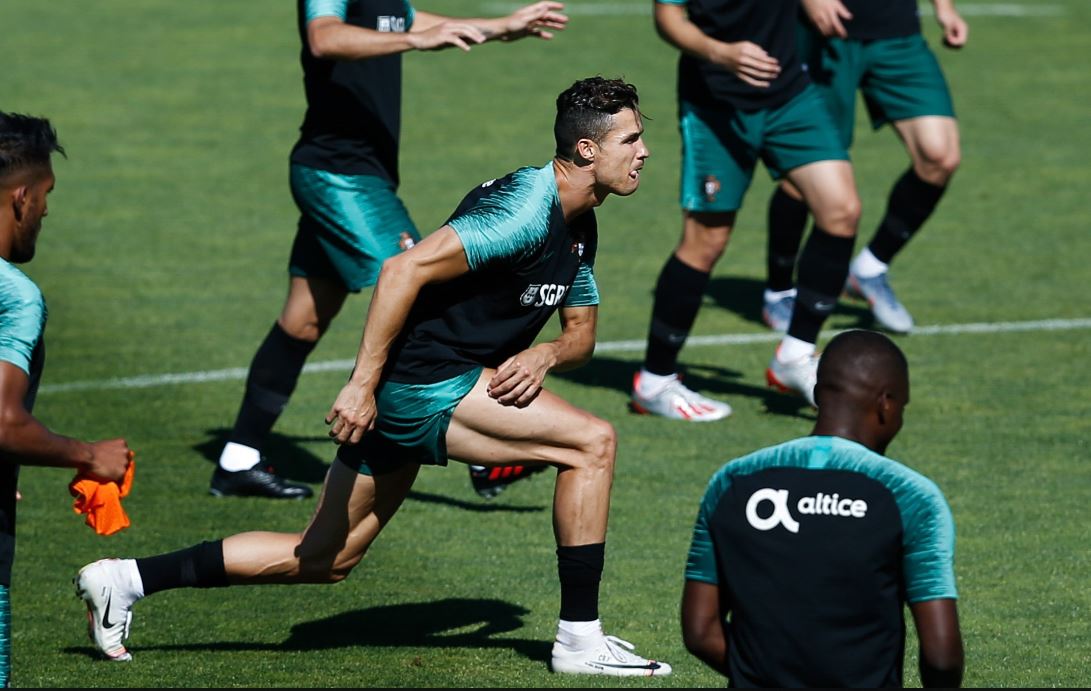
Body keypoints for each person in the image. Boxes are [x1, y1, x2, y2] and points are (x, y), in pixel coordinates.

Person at [76, 76, 672, 677]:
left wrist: (544, 355)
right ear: (589, 150)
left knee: (325, 558)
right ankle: (578, 640)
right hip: (423, 383)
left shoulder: (580, 224)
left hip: (426, 385)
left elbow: (581, 336)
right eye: (632, 139)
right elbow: (400, 271)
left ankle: (124, 580)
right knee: (592, 444)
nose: (644, 151)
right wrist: (361, 386)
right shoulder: (522, 210)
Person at [212, 0, 570, 499]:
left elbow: (419, 22)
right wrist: (413, 41)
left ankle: (238, 458)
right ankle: (477, 448)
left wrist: (501, 27)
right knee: (424, 286)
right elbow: (326, 36)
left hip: (358, 174)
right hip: (341, 177)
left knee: (303, 321)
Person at [681, 329, 964, 687]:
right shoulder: (910, 496)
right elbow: (941, 658)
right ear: (887, 404)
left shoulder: (732, 481)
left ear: (817, 394)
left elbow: (700, 630)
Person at [629, 0, 862, 418]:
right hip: (715, 104)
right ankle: (654, 381)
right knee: (706, 240)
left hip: (790, 95)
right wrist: (722, 52)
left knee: (841, 210)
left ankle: (795, 356)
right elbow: (667, 19)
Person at [0, 112, 134, 686]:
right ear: (22, 197)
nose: (47, 211)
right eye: (47, 194)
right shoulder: (17, 298)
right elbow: (3, 422)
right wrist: (87, 455)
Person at [761, 0, 967, 334]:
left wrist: (944, 8)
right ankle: (779, 291)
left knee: (940, 156)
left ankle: (869, 269)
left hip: (897, 33)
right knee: (805, 172)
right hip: (827, 30)